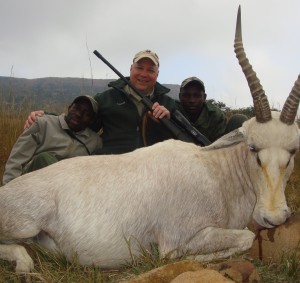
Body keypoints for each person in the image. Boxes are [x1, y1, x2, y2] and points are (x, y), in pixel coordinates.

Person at [25, 50, 178, 154]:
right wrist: (45, 116)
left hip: (154, 168)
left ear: (157, 74)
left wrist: (166, 121)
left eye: (150, 70)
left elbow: (182, 141)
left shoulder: (169, 104)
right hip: (111, 167)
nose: (144, 74)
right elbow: (76, 121)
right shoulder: (106, 98)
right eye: (139, 68)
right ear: (131, 69)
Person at [3, 95, 102, 184]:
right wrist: (8, 191)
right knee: (44, 158)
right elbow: (16, 160)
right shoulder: (42, 124)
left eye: (86, 114)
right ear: (69, 108)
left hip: (68, 187)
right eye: (76, 108)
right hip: (32, 183)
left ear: (91, 120)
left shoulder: (95, 142)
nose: (78, 114)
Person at [177, 77, 247, 142]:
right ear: (180, 97)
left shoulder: (216, 115)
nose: (192, 100)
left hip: (210, 152)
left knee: (239, 119)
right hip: (176, 151)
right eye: (186, 95)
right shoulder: (172, 109)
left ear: (204, 97)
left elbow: (221, 141)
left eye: (197, 95)